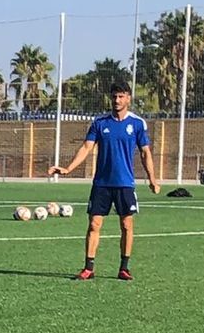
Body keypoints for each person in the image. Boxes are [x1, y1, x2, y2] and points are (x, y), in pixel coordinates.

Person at [49, 82, 159, 280]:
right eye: (114, 96)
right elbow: (86, 148)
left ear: (128, 98)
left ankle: (124, 267)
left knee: (126, 225)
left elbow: (145, 153)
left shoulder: (137, 123)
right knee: (94, 224)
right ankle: (88, 268)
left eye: (121, 96)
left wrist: (152, 179)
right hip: (102, 183)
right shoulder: (100, 123)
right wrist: (68, 169)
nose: (117, 100)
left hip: (125, 183)